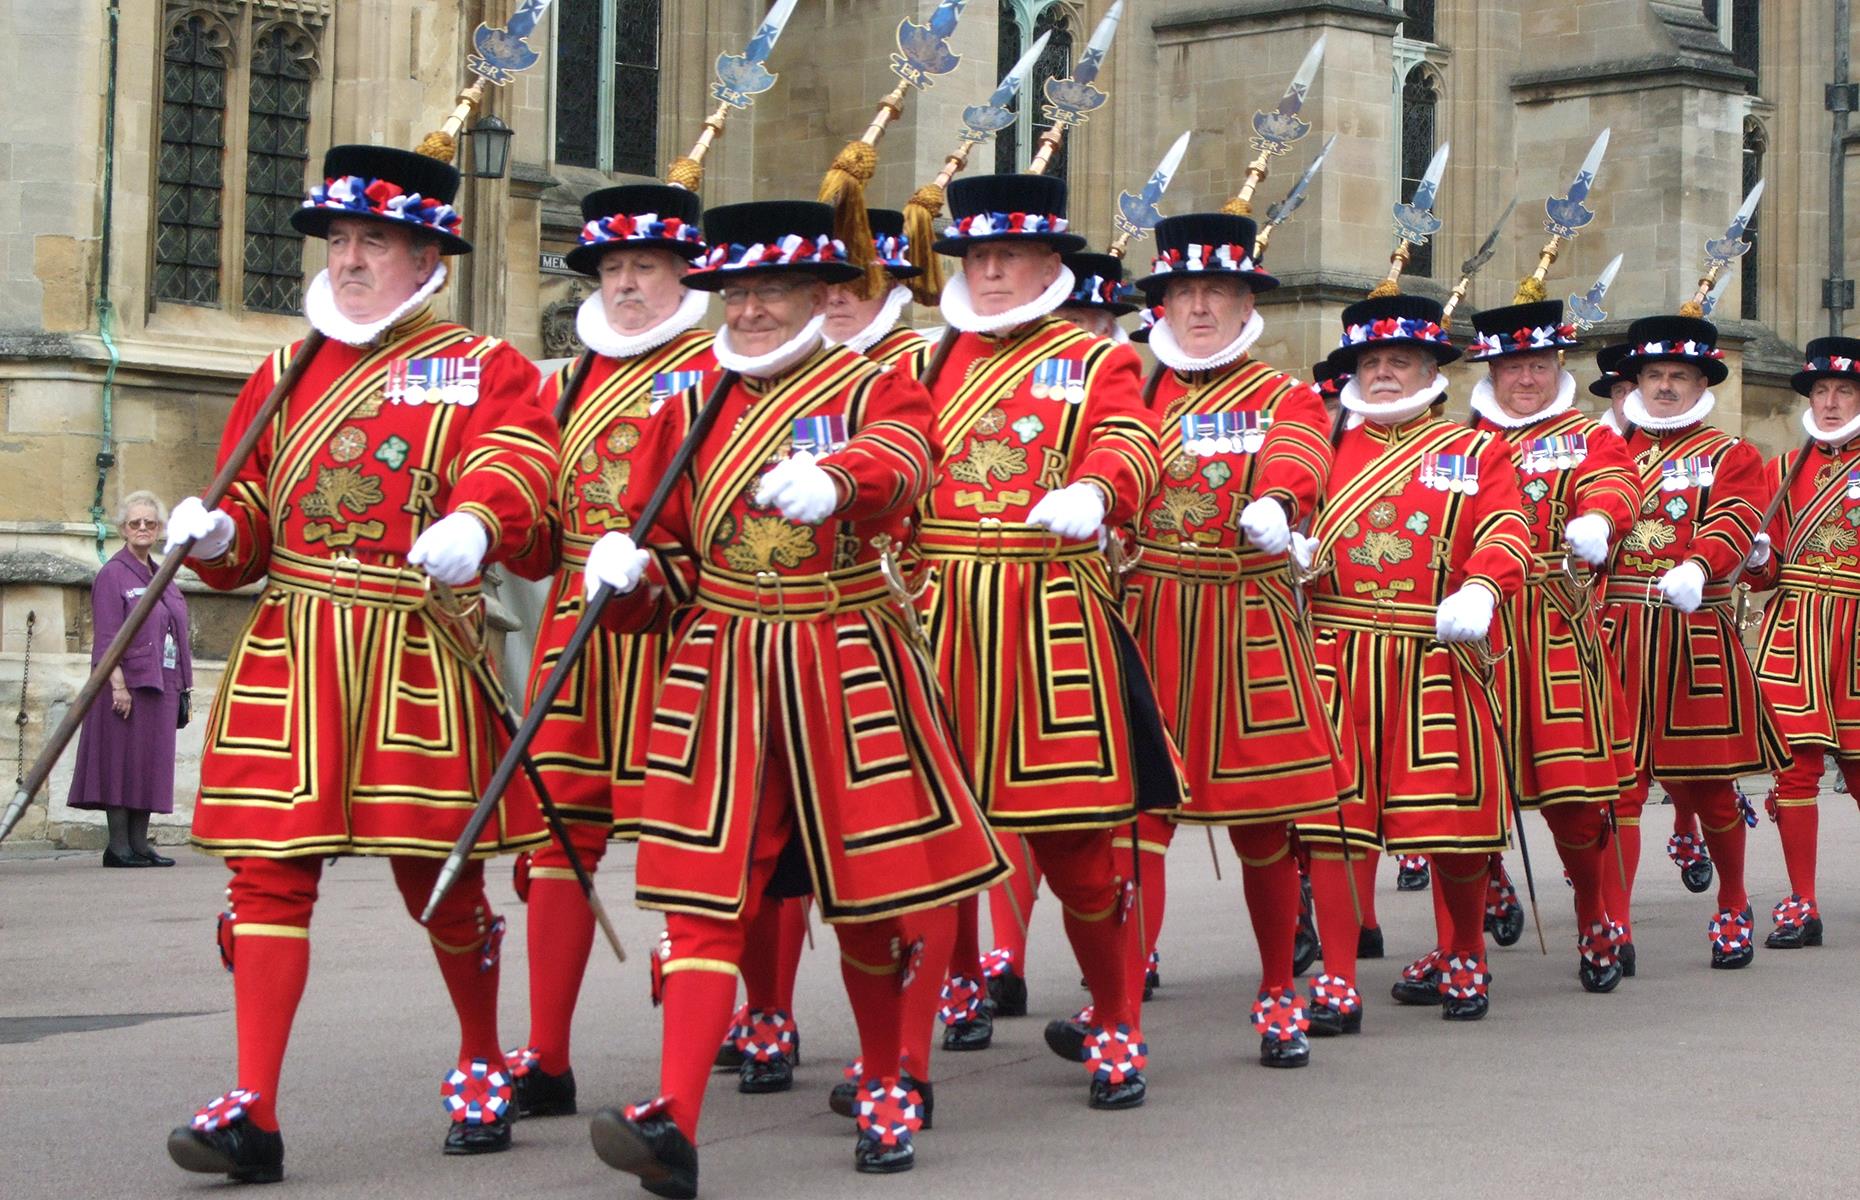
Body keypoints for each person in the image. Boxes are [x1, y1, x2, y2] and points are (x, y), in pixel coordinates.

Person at [579, 198, 1008, 1193]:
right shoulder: (689, 405)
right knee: (702, 902)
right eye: (736, 291)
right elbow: (674, 560)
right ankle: (672, 1120)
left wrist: (842, 481)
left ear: (824, 294)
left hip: (844, 656)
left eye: (771, 290)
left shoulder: (873, 385)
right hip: (722, 670)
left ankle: (891, 1080)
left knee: (870, 897)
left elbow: (907, 462)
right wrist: (631, 576)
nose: (751, 309)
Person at [162, 144, 559, 1183]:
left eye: (370, 241)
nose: (346, 260)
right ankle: (253, 1102)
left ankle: (480, 1056)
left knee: (443, 876)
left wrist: (479, 520)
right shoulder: (283, 368)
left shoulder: (483, 364)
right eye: (338, 240)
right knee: (265, 879)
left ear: (426, 253)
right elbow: (251, 522)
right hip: (293, 644)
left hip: (414, 644)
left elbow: (515, 461)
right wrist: (213, 534)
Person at [915, 172, 1180, 1109]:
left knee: (1073, 846)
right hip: (936, 612)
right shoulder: (923, 362)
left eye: (1008, 257)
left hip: (1048, 614)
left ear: (1046, 266)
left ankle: (1115, 1017)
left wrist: (1097, 490)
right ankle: (907, 1050)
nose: (989, 273)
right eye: (977, 257)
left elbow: (1130, 441)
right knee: (924, 838)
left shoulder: (1093, 357)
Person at [502, 183, 716, 1117]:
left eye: (647, 268)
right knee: (559, 833)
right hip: (576, 637)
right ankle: (546, 1052)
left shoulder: (721, 368)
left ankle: (750, 1024)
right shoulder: (563, 381)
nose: (627, 285)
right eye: (614, 269)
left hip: (685, 627)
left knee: (705, 840)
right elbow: (541, 529)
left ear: (684, 276)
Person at [1122, 211, 1349, 1066]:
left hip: (1247, 618)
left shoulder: (1281, 393)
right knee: (1135, 817)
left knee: (1265, 824)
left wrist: (1281, 502)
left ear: (1246, 300)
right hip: (1147, 617)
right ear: (1163, 304)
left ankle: (1277, 991)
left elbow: (1303, 452)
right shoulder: (1134, 393)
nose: (1200, 306)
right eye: (1184, 291)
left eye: (1218, 289)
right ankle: (1123, 992)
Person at [1292, 291, 1534, 1024]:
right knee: (1337, 825)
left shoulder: (1475, 449)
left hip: (1438, 651)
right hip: (1340, 654)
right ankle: (1336, 977)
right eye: (1371, 362)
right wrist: (1287, 543)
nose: (1384, 374)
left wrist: (1487, 585)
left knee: (1453, 825)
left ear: (1431, 367)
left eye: (1400, 360)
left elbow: (1507, 525)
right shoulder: (1325, 447)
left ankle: (1464, 952)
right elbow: (1285, 505)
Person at [1595, 312, 1789, 971]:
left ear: (1700, 382)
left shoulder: (1730, 453)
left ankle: (1733, 901)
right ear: (1637, 382)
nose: (1667, 386)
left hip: (1692, 631)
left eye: (1679, 375)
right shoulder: (1608, 454)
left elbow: (1736, 517)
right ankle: (1614, 922)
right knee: (1618, 788)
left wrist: (1701, 564)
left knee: (1708, 787)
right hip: (1618, 632)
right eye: (1655, 375)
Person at [1463, 297, 1640, 992]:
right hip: (1481, 627)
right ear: (1493, 371)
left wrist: (1600, 516)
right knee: (1467, 787)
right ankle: (1471, 926)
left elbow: (1617, 481)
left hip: (1559, 625)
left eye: (1537, 364)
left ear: (1557, 364)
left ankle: (1596, 917)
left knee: (1573, 791)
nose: (1526, 379)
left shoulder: (1586, 435)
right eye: (1512, 366)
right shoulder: (1461, 441)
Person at [1745, 337, 1860, 948]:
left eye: (1844, 391)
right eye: (1822, 391)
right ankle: (1803, 900)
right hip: (1796, 630)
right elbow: (1764, 576)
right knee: (1796, 771)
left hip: (1858, 628)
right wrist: (1760, 558)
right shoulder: (1783, 469)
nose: (1832, 401)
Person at [66, 490, 192, 868]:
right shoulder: (113, 574)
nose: (142, 528)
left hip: (162, 682)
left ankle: (140, 844)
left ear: (158, 530)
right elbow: (106, 636)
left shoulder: (163, 574)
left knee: (150, 763)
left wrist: (184, 687)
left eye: (149, 523)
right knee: (120, 762)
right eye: (134, 523)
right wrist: (116, 685)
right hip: (126, 685)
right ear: (122, 528)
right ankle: (117, 846)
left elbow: (175, 630)